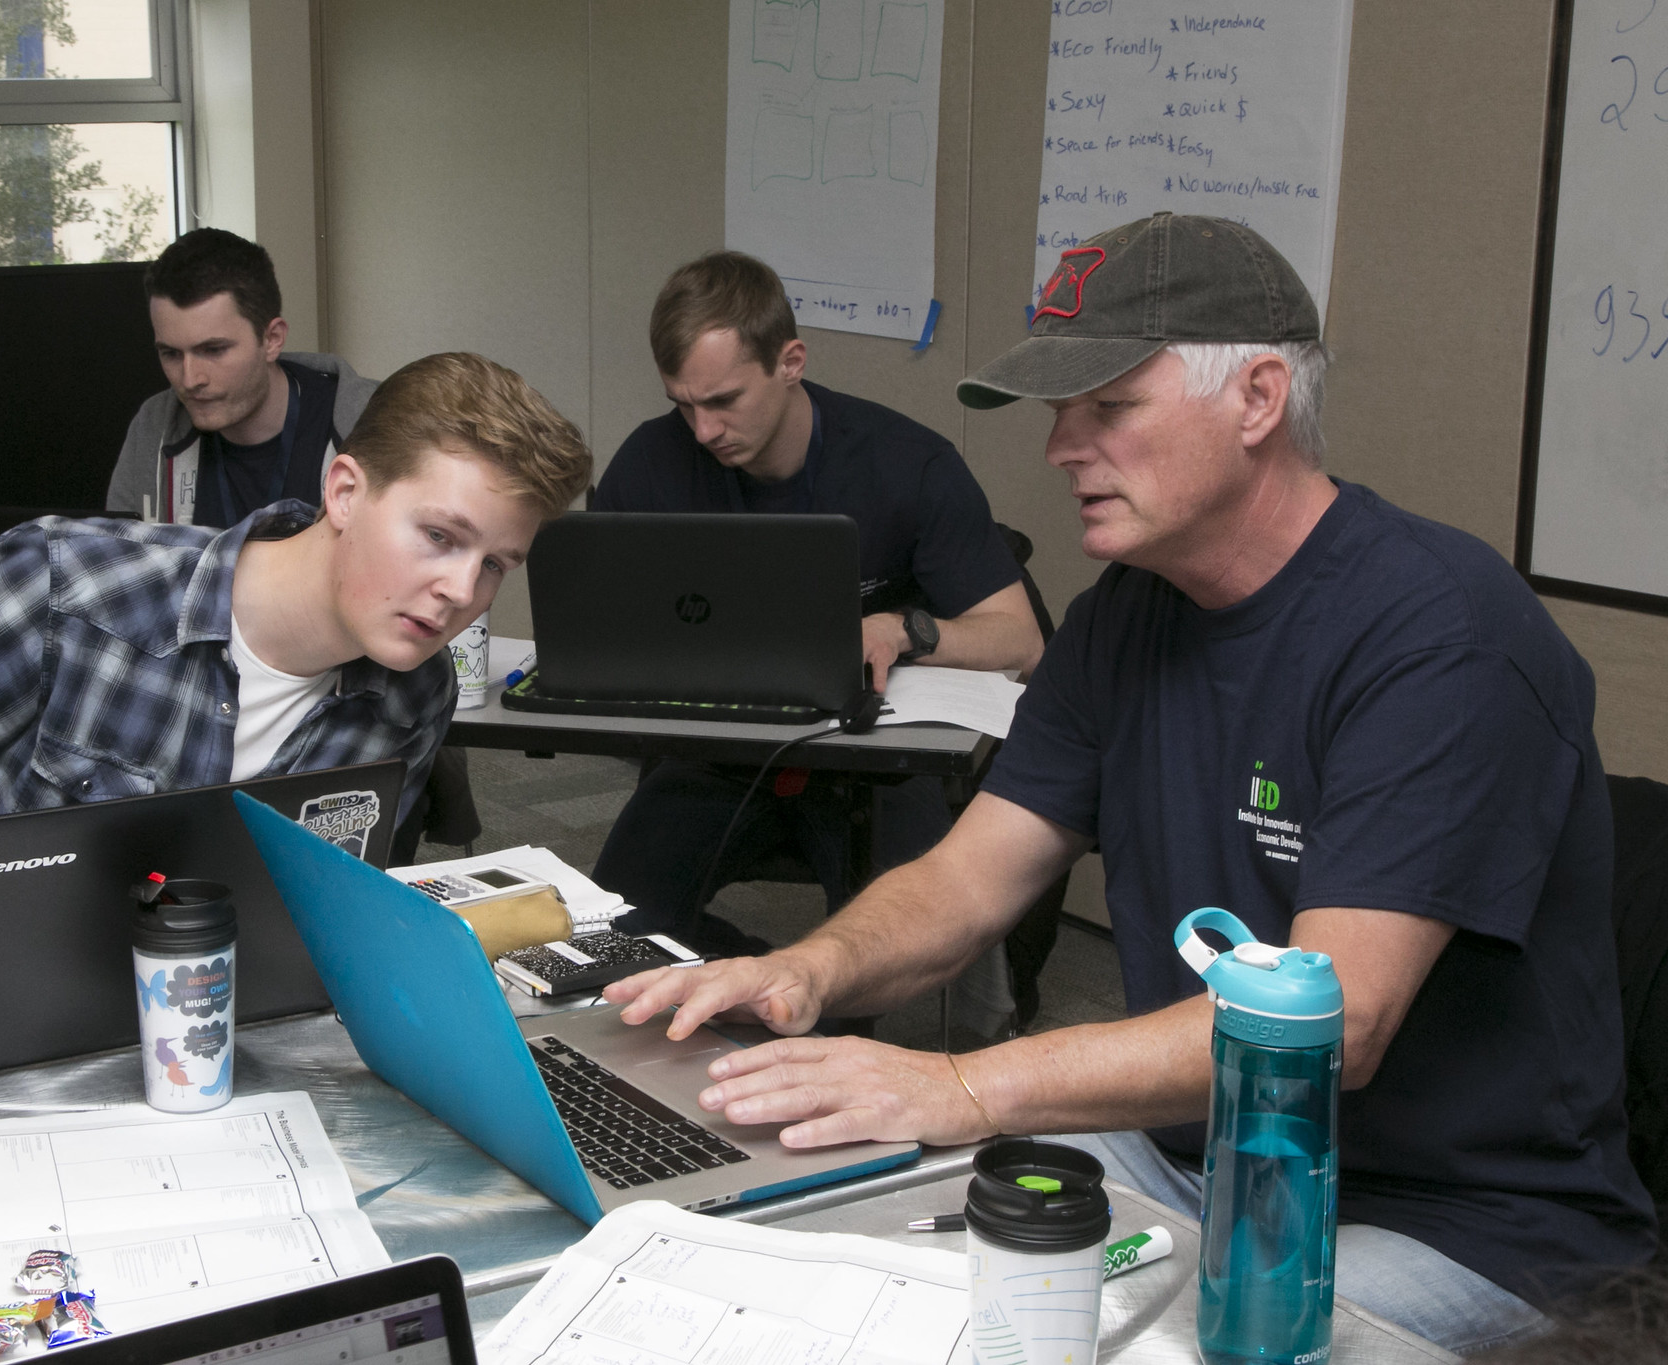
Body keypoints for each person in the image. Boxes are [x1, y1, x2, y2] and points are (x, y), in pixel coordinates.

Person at [603, 213, 1658, 1352]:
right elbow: (965, 882)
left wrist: (960, 1086)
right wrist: (808, 969)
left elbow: (1326, 1030)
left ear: (1255, 399)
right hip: (1181, 1153)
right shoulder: (1121, 622)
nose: (1060, 447)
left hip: (1448, 1223)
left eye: (1107, 409)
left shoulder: (1438, 640)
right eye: (1060, 412)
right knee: (823, 1263)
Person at [0, 352, 592, 928]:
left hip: (212, 1033)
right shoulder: (75, 583)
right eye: (440, 537)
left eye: (495, 564)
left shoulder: (416, 689)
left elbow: (324, 912)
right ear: (344, 491)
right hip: (4, 1025)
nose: (462, 593)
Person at [589, 251, 1044, 962]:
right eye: (684, 403)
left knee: (893, 953)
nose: (703, 430)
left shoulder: (907, 465)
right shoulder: (652, 462)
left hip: (874, 760)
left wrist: (901, 629)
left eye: (724, 401)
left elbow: (1020, 641)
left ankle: (832, 1006)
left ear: (790, 361)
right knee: (608, 933)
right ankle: (754, 972)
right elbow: (599, 621)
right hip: (720, 754)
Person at [105, 227, 377, 528]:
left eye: (214, 350)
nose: (190, 378)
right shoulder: (154, 426)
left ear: (272, 339)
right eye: (170, 354)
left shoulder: (373, 422)